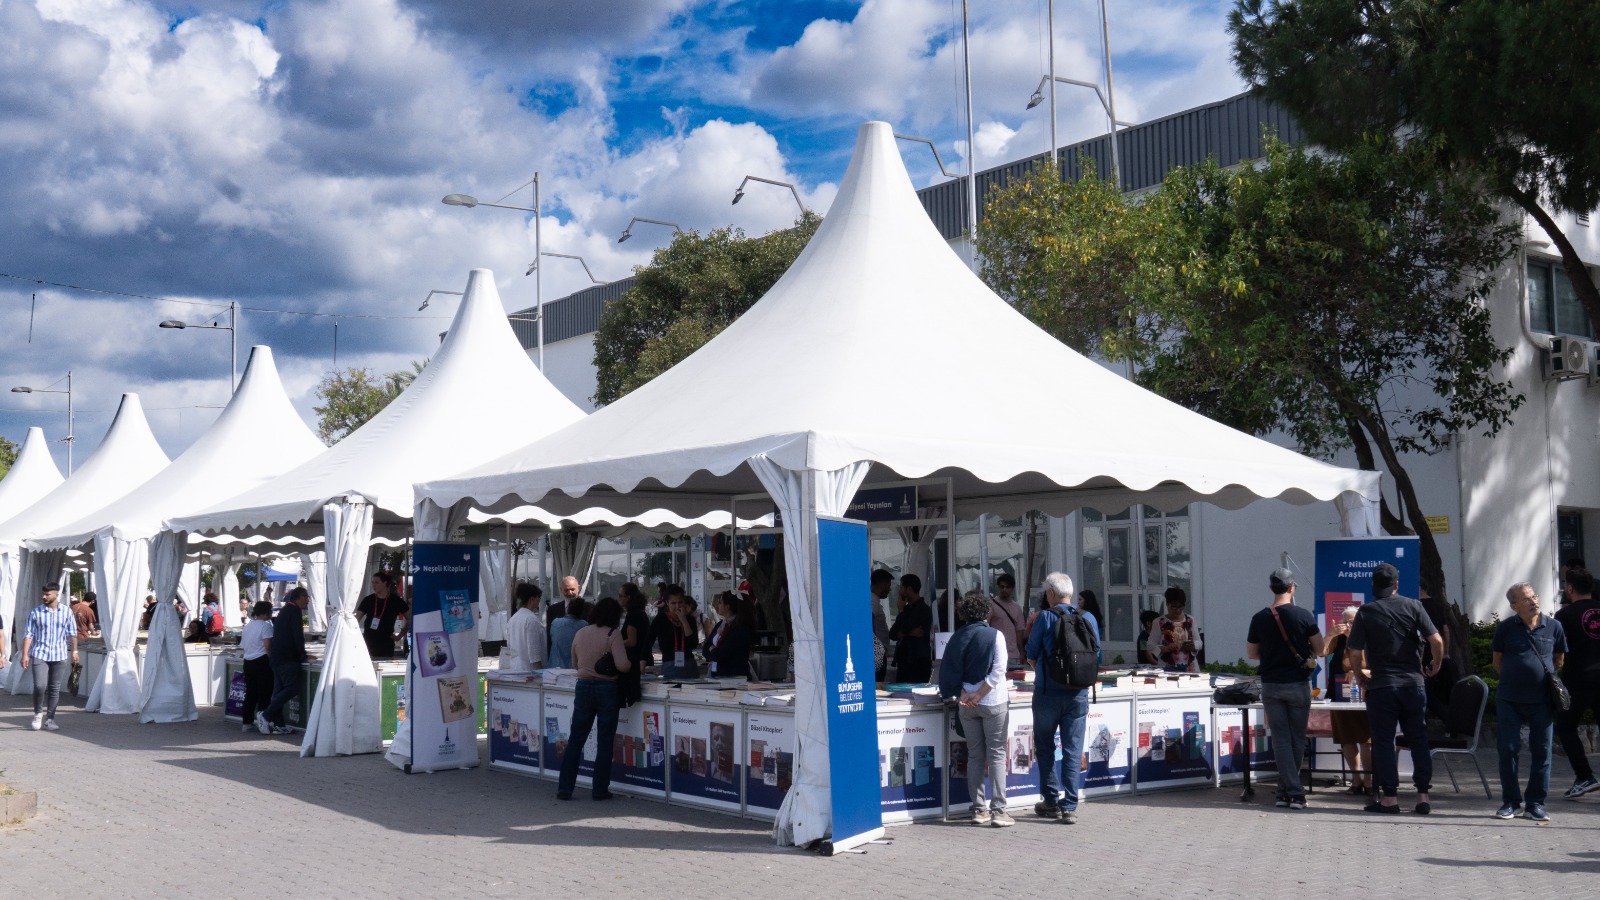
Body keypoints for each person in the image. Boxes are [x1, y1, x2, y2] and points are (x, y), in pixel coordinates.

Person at [1347, 562, 1443, 814]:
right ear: (1397, 584)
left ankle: (1390, 799)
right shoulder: (1414, 606)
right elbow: (1437, 639)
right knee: (1419, 740)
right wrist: (1436, 664)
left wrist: (1359, 677)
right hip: (1413, 684)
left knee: (1382, 741)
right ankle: (1423, 797)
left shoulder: (1366, 612)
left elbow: (1354, 651)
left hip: (1382, 686)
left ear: (1373, 585)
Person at [1246, 568, 1324, 810]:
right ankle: (1295, 792)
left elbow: (1252, 654)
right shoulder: (1303, 616)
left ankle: (1283, 791)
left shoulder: (1259, 617)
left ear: (1272, 588)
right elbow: (1320, 649)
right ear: (1292, 587)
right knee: (1297, 738)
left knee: (1281, 739)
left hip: (1271, 684)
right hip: (1299, 684)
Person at [1025, 572, 1100, 824]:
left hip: (1047, 693)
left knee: (1046, 747)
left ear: (1050, 594)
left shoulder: (1045, 617)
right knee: (1072, 749)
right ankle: (1069, 806)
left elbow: (1031, 652)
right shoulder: (1087, 617)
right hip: (1079, 694)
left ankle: (1049, 801)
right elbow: (1096, 652)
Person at [1491, 581, 1567, 823]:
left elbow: (1559, 659)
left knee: (1542, 751)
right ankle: (1510, 802)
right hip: (1509, 699)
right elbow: (1497, 662)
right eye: (1526, 599)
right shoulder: (1505, 628)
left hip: (1542, 700)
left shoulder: (1554, 626)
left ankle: (1535, 803)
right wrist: (1517, 678)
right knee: (1508, 750)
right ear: (1514, 606)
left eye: (1534, 596)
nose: (1533, 601)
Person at [940, 590, 1012, 827]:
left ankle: (978, 809)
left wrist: (965, 693)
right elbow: (998, 671)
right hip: (993, 702)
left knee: (975, 755)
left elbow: (949, 670)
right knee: (997, 755)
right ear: (987, 612)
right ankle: (999, 811)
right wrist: (980, 694)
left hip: (966, 704)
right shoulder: (995, 635)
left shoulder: (956, 637)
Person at [556, 596, 632, 801]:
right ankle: (599, 789)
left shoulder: (580, 632)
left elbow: (575, 663)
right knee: (605, 740)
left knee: (576, 739)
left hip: (583, 686)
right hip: (607, 688)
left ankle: (565, 788)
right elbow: (623, 665)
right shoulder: (612, 633)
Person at [1554, 567, 1600, 799]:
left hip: (1577, 680)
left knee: (1565, 727)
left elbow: (1558, 651)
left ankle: (1584, 776)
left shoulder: (1564, 616)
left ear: (1570, 588)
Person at [1323, 604, 1372, 794]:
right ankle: (1356, 779)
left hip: (1364, 694)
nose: (1349, 626)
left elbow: (1380, 667)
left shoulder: (1369, 639)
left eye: (1352, 622)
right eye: (1346, 622)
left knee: (1366, 740)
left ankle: (1368, 780)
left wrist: (1361, 671)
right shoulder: (1339, 640)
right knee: (1347, 739)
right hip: (1339, 694)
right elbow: (1321, 652)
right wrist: (1330, 634)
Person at [22, 582, 78, 732]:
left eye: (47, 594)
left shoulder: (67, 612)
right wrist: (25, 654)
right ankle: (37, 714)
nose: (44, 597)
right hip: (40, 653)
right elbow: (28, 634)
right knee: (40, 685)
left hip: (59, 654)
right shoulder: (36, 612)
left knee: (54, 688)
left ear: (56, 594)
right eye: (43, 594)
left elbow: (72, 633)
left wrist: (74, 651)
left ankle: (50, 719)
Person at [260, 587, 309, 735]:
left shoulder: (285, 610)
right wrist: (303, 654)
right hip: (287, 657)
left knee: (278, 691)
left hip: (277, 656)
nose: (307, 600)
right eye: (306, 597)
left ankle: (279, 723)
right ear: (300, 597)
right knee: (291, 688)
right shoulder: (294, 611)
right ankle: (266, 714)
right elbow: (297, 636)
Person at [888, 574, 933, 683]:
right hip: (904, 661)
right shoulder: (907, 609)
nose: (899, 592)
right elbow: (893, 634)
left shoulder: (923, 609)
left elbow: (905, 627)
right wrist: (908, 633)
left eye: (901, 587)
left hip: (918, 661)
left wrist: (902, 611)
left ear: (909, 589)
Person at [239, 600, 275, 733]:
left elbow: (243, 645)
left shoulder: (248, 626)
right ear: (266, 613)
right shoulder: (266, 626)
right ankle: (263, 721)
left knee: (251, 693)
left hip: (248, 661)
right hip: (262, 661)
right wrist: (272, 660)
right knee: (264, 693)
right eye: (270, 612)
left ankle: (247, 722)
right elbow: (268, 647)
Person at [355, 571, 408, 660]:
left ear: (385, 583)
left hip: (386, 643)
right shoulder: (368, 600)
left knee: (383, 668)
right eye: (372, 582)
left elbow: (410, 619)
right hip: (368, 642)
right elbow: (356, 619)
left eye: (376, 582)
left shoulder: (396, 601)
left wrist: (400, 635)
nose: (374, 585)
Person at [651, 586, 700, 680]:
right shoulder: (661, 619)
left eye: (680, 602)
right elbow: (649, 640)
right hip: (670, 663)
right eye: (673, 603)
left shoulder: (690, 619)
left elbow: (693, 643)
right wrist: (643, 661)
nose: (677, 606)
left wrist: (684, 621)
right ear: (667, 603)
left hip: (689, 663)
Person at [1151, 587, 1202, 672]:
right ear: (1167, 604)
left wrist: (1194, 646)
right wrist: (1165, 648)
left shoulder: (1190, 620)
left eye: (1181, 607)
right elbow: (1150, 646)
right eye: (1174, 607)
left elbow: (1199, 642)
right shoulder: (1159, 622)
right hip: (1167, 668)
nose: (1177, 611)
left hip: (1190, 668)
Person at [704, 592, 753, 678]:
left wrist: (713, 651)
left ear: (727, 607)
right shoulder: (720, 624)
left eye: (720, 602)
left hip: (735, 675)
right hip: (717, 673)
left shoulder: (740, 627)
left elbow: (723, 653)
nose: (717, 605)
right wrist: (712, 652)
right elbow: (706, 647)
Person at [501, 582, 546, 672]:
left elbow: (509, 646)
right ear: (531, 599)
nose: (539, 601)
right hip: (530, 672)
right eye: (538, 598)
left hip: (515, 668)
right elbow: (534, 655)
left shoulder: (513, 619)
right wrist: (542, 674)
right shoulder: (531, 620)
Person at [618, 583, 651, 704]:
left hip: (634, 660)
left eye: (621, 596)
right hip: (641, 657)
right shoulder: (641, 613)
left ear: (628, 597)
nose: (619, 599)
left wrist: (615, 643)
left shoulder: (633, 614)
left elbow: (632, 641)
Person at [988, 574, 1028, 669]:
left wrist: (1021, 652)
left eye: (1007, 587)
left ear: (1012, 589)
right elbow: (986, 626)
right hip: (996, 652)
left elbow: (1019, 631)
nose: (1004, 589)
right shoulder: (991, 604)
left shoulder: (1017, 607)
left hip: (1013, 653)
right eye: (1002, 586)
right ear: (998, 587)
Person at [548, 597, 588, 669]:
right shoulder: (584, 625)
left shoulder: (555, 622)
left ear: (567, 609)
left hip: (554, 667)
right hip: (573, 668)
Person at [869, 569, 893, 680]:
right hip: (876, 654)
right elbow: (870, 620)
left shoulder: (874, 600)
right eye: (889, 585)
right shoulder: (872, 600)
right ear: (883, 584)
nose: (890, 589)